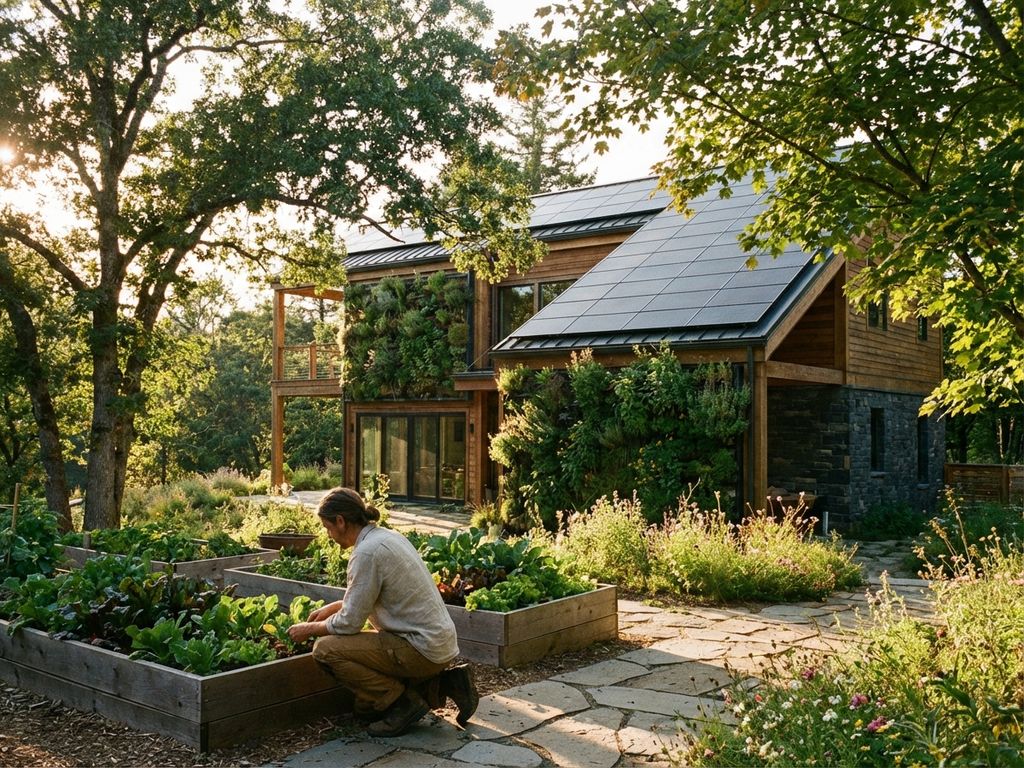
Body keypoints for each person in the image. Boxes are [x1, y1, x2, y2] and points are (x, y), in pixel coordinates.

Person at [287, 486, 479, 736]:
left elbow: (349, 624)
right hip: (438, 646)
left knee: (325, 649)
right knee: (365, 710)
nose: (328, 535)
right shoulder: (385, 537)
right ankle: (448, 684)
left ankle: (403, 704)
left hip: (419, 649)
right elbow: (369, 595)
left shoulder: (366, 553)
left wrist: (308, 629)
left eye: (327, 528)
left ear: (341, 521)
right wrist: (332, 607)